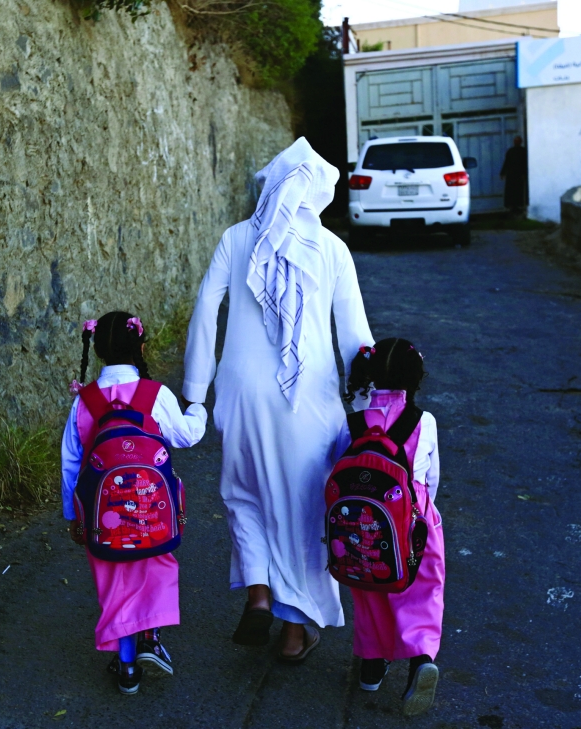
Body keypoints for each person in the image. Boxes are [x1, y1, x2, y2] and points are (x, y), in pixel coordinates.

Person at [182, 138, 374, 662]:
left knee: (244, 497)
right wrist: (371, 407)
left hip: (239, 392)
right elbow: (355, 336)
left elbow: (205, 309)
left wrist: (195, 393)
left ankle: (260, 595)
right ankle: (294, 632)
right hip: (306, 399)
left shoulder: (237, 237)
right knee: (306, 508)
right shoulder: (332, 249)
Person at [60, 310, 207, 695]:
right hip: (151, 511)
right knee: (153, 569)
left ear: (99, 352)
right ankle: (151, 639)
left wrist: (71, 515)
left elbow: (70, 462)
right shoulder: (154, 395)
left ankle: (127, 666)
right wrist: (198, 409)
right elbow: (186, 436)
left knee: (113, 582)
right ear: (141, 347)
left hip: (101, 517)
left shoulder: (85, 402)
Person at [333, 338, 443, 717]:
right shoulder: (423, 421)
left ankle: (371, 665)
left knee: (371, 589)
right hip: (416, 520)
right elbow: (432, 478)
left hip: (363, 524)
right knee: (422, 591)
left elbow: (334, 469)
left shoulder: (355, 419)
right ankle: (421, 659)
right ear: (416, 380)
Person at [500, 135, 528, 214]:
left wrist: (524, 174)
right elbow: (506, 162)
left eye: (518, 141)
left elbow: (525, 164)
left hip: (519, 175)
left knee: (519, 191)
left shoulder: (523, 151)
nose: (516, 142)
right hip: (511, 175)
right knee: (510, 191)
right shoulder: (510, 151)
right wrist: (503, 173)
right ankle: (511, 207)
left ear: (520, 142)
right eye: (515, 141)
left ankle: (519, 206)